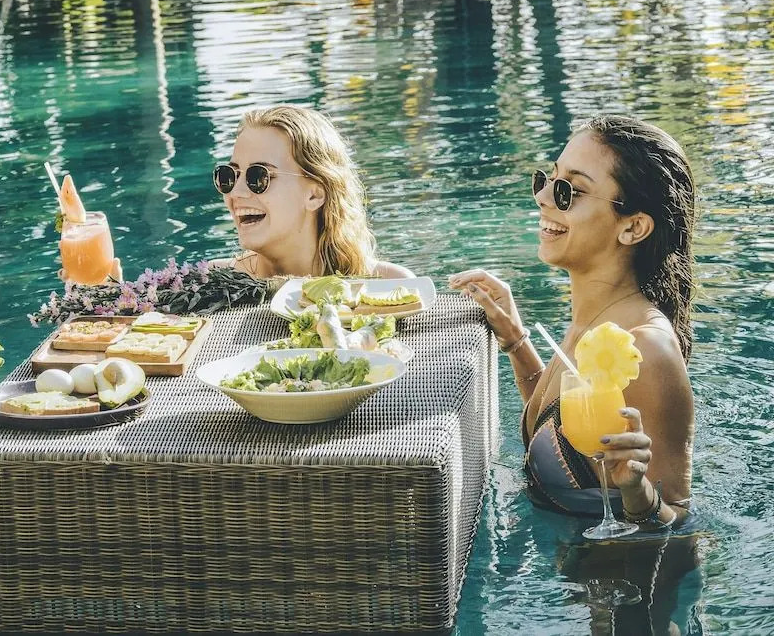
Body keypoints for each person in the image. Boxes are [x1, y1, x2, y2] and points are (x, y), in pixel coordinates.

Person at [449, 115, 695, 528]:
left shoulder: (643, 350)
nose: (544, 197)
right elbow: (565, 440)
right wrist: (515, 341)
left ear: (633, 227)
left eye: (571, 191)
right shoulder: (596, 329)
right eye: (549, 179)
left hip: (607, 570)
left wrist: (638, 494)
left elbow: (680, 527)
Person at [209, 105, 414, 278]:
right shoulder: (209, 282)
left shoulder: (390, 285)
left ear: (314, 195)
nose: (236, 192)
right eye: (229, 176)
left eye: (258, 177)